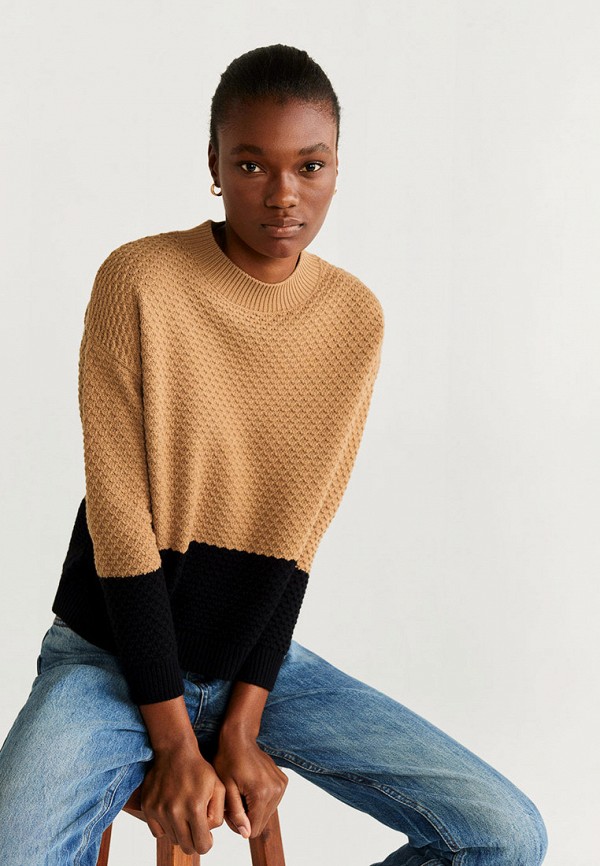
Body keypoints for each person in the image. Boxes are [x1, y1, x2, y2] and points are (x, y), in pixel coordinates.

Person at [0, 44, 548, 866]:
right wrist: (174, 741)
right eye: (252, 164)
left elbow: (297, 542)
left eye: (309, 166)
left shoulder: (353, 317)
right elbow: (119, 523)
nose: (284, 194)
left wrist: (242, 722)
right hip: (111, 656)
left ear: (336, 169)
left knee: (504, 833)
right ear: (214, 166)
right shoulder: (140, 279)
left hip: (253, 661)